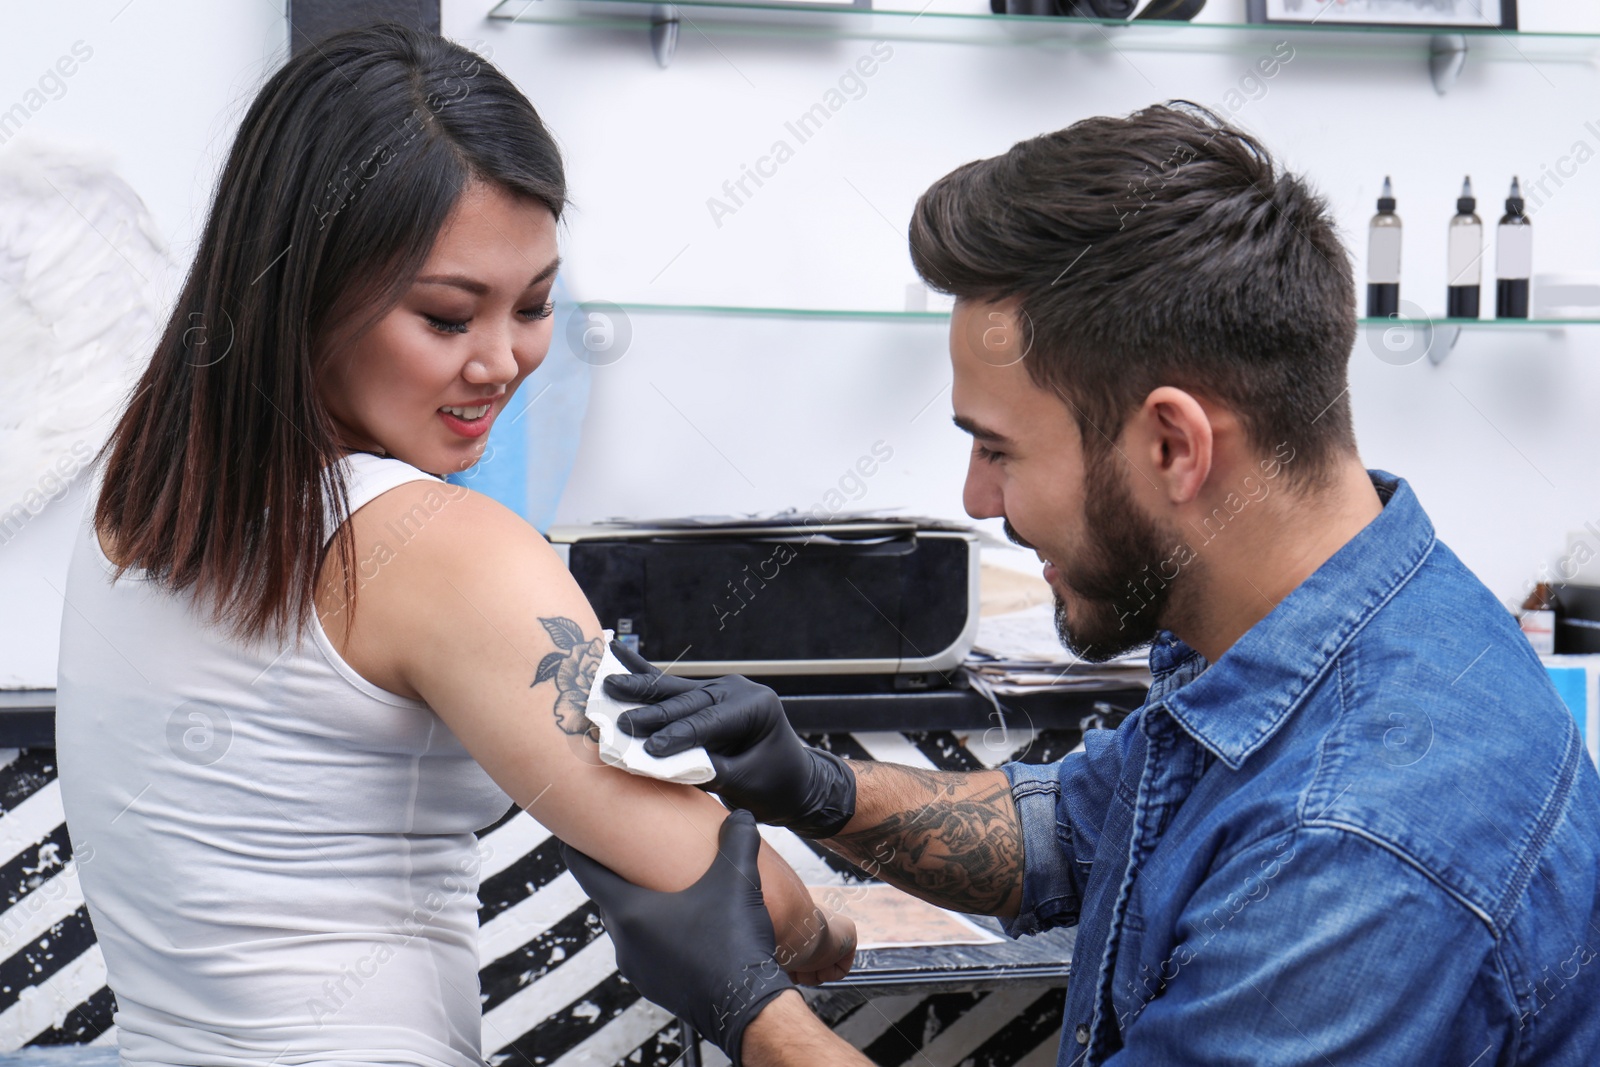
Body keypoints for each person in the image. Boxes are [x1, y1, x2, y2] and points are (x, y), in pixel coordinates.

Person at [560, 103, 1600, 1066]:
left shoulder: (1355, 842)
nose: (973, 498)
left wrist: (752, 1011)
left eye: (999, 450)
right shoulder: (1317, 618)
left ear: (1170, 444)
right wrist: (814, 785)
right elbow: (1082, 826)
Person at [54, 23, 852, 1067]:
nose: (502, 361)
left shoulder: (139, 498)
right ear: (304, 292)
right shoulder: (440, 546)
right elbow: (747, 901)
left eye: (533, 305)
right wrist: (834, 924)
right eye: (444, 316)